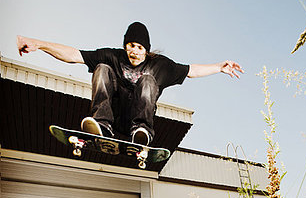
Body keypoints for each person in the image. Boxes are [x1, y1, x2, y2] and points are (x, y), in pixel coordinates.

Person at [16, 22, 243, 145]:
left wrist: (218, 67)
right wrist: (39, 44)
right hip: (112, 117)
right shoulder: (112, 56)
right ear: (125, 45)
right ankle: (101, 124)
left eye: (139, 47)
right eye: (130, 45)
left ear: (147, 49)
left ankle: (142, 129)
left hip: (138, 119)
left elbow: (191, 71)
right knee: (101, 68)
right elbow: (75, 55)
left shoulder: (161, 66)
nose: (134, 52)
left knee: (147, 80)